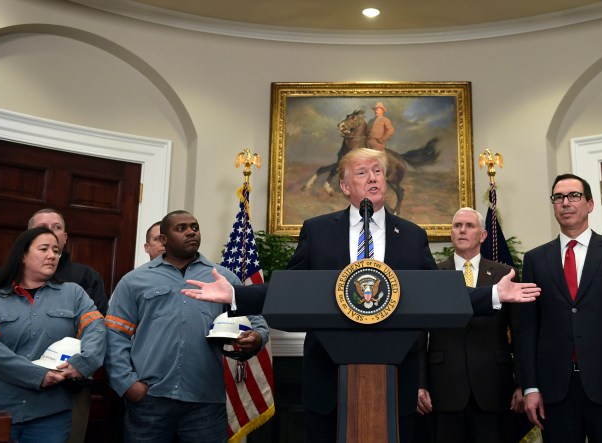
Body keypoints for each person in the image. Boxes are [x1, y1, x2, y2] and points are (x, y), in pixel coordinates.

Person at [180, 148, 540, 443]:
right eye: (363, 172)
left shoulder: (410, 235)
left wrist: (492, 295)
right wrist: (236, 294)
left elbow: (439, 295)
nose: (373, 178)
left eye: (378, 171)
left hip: (395, 375)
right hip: (328, 372)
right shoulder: (318, 231)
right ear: (344, 186)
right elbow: (289, 290)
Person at [104, 210, 269, 443]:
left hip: (205, 402)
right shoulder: (134, 280)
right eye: (181, 228)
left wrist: (257, 337)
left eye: (195, 227)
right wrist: (128, 384)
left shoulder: (222, 277)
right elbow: (115, 335)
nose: (191, 232)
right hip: (150, 399)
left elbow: (256, 321)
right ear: (163, 239)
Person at [516, 173, 602, 443]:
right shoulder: (535, 259)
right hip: (555, 390)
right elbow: (527, 328)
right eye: (558, 197)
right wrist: (529, 387)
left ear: (589, 204)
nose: (565, 202)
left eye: (574, 196)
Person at [0, 208, 108, 443]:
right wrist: (38, 375)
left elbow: (96, 328)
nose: (52, 255)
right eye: (44, 249)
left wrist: (83, 363)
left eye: (56, 251)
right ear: (22, 255)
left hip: (51, 413)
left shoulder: (74, 293)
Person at [417, 207, 523, 443]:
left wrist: (522, 384)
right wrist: (420, 384)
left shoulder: (505, 274)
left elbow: (519, 334)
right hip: (444, 389)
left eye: (469, 226)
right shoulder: (434, 274)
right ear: (451, 233)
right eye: (457, 226)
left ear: (483, 235)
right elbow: (420, 336)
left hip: (494, 388)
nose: (462, 230)